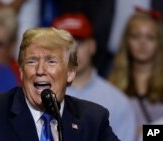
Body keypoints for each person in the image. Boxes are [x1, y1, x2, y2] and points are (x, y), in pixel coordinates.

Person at [0, 27, 120, 141]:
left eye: (51, 61)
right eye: (31, 61)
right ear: (21, 71)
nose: (40, 70)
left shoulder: (92, 119)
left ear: (70, 73)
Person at [52, 13, 137, 141]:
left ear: (92, 46)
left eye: (79, 43)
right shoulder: (35, 98)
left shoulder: (117, 102)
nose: (72, 52)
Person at [108, 11, 163, 140]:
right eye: (135, 36)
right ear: (126, 40)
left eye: (150, 37)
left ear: (159, 42)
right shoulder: (111, 83)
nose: (142, 43)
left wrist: (145, 132)